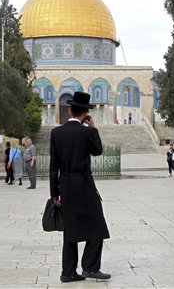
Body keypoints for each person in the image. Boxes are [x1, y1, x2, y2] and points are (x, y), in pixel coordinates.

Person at [50, 91, 111, 283]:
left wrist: (55, 193)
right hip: (84, 183)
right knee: (97, 224)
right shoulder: (86, 133)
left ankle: (68, 272)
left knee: (70, 227)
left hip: (66, 185)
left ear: (69, 110)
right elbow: (98, 151)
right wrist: (93, 128)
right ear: (85, 114)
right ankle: (90, 267)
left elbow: (53, 167)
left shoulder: (56, 133)